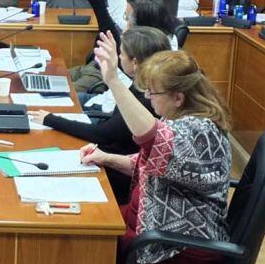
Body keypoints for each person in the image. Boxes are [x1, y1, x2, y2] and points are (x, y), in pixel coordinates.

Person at [79, 35, 231, 264]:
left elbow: (151, 138)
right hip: (154, 227)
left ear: (178, 97)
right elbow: (152, 163)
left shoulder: (200, 132)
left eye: (153, 93)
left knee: (86, 247)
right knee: (84, 222)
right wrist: (107, 158)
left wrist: (112, 80)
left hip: (178, 246)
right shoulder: (185, 122)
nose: (148, 98)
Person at [30, 26, 171, 203]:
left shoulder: (148, 100)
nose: (119, 58)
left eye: (121, 54)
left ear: (135, 63)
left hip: (119, 177)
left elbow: (103, 134)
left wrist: (50, 119)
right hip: (106, 158)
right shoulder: (140, 85)